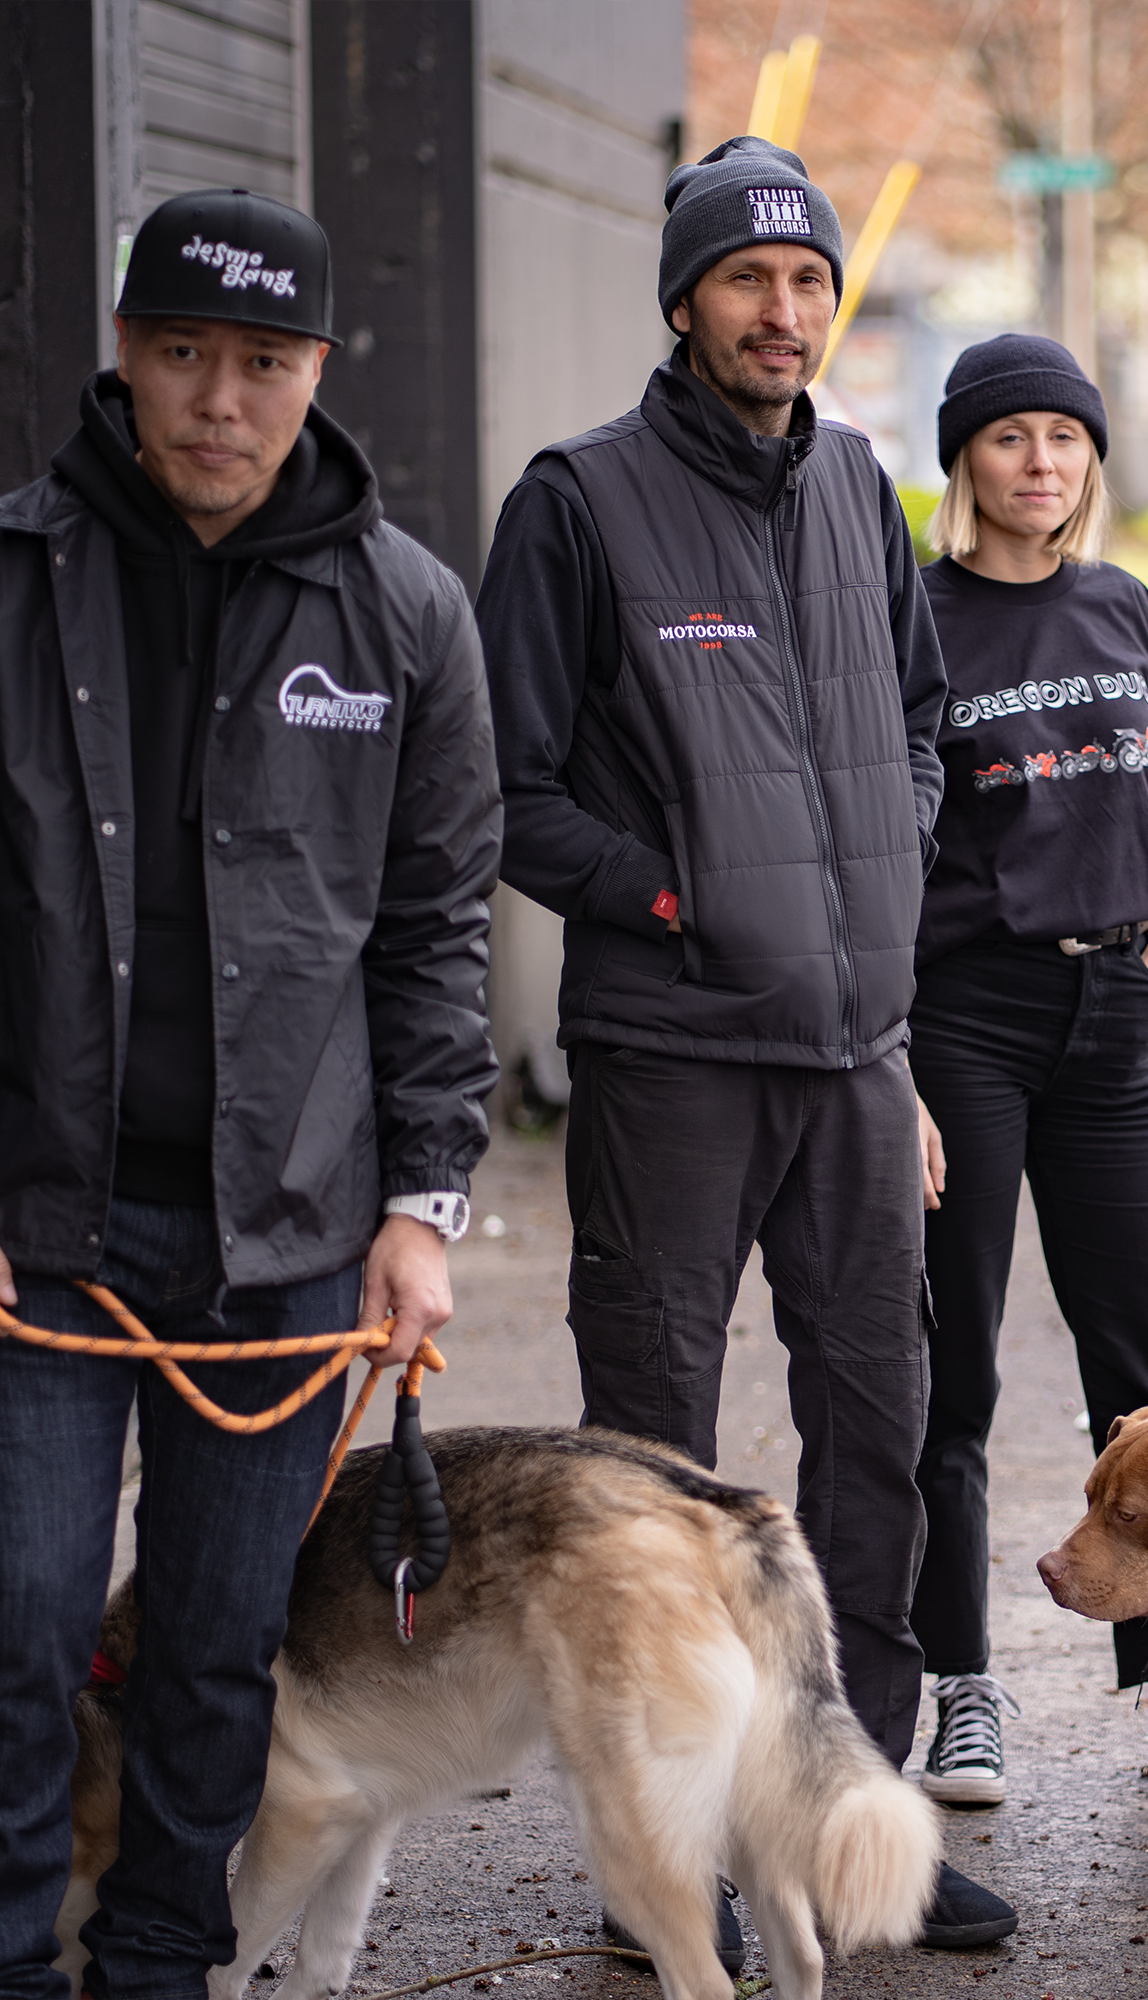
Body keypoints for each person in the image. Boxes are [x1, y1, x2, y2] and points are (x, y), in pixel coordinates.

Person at [472, 137, 1012, 1947]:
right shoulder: (580, 501)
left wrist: (868, 897)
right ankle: (664, 1867)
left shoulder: (861, 488)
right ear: (684, 300)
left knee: (880, 1430)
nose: (783, 313)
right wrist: (685, 898)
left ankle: (846, 1835)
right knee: (648, 1473)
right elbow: (505, 793)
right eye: (746, 283)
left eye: (807, 283)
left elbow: (924, 726)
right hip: (677, 1056)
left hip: (858, 1056)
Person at [0, 189, 495, 2000]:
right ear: (125, 358)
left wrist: (422, 1208)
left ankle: (157, 1961)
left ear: (316, 375)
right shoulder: (13, 575)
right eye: (185, 354)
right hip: (36, 1227)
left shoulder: (406, 615)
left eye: (262, 363)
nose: (221, 397)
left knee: (214, 1639)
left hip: (289, 1229)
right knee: (27, 1618)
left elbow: (436, 933)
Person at [904, 334, 1148, 1806]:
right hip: (960, 1020)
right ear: (962, 460)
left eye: (1063, 437)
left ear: (1091, 458)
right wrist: (895, 1065)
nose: (1039, 463)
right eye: (1008, 439)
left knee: (1147, 1372)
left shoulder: (1123, 606)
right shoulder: (909, 619)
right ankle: (960, 1685)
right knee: (945, 1371)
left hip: (1112, 1025)